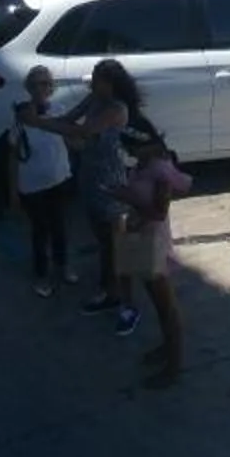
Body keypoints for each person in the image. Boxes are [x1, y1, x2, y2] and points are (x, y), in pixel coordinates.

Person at [61, 60, 143, 328]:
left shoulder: (116, 108)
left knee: (120, 246)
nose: (93, 84)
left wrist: (39, 123)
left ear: (111, 83)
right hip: (91, 177)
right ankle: (111, 293)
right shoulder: (94, 99)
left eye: (98, 80)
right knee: (105, 244)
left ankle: (129, 305)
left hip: (112, 183)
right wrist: (49, 122)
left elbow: (83, 130)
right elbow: (70, 120)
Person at [114, 125, 189, 384]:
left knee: (166, 305)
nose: (127, 152)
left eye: (130, 148)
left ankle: (174, 367)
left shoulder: (159, 171)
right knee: (155, 301)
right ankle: (166, 348)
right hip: (138, 234)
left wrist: (122, 195)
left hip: (153, 240)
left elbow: (159, 212)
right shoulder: (143, 165)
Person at [11, 70, 77, 296]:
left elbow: (69, 141)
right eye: (36, 84)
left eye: (46, 84)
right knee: (40, 230)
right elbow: (13, 155)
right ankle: (42, 275)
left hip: (58, 179)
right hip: (32, 185)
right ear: (29, 88)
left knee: (60, 226)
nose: (41, 89)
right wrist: (13, 191)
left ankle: (63, 265)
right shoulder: (21, 117)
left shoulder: (58, 111)